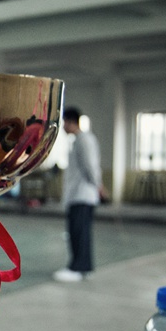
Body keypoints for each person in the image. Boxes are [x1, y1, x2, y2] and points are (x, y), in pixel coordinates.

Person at [53, 105, 104, 282]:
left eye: (64, 123)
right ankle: (83, 267)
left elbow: (91, 166)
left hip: (83, 195)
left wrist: (98, 186)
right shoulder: (78, 140)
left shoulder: (84, 140)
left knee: (79, 233)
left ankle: (78, 268)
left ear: (70, 122)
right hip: (78, 195)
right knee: (78, 232)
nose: (63, 127)